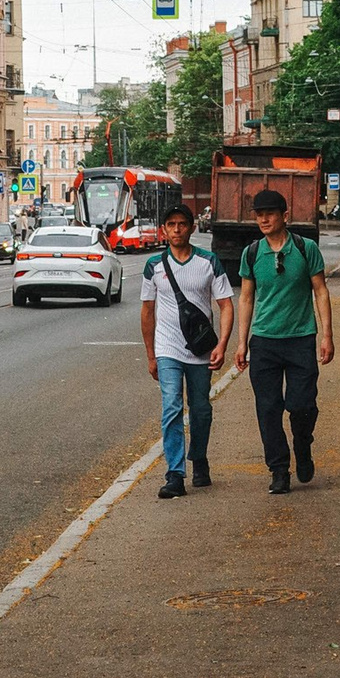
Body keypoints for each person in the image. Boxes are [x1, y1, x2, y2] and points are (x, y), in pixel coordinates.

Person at [234, 188, 333, 494]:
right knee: (268, 408)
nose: (263, 219)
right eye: (259, 214)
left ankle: (303, 445)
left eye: (270, 213)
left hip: (301, 338)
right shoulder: (251, 253)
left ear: (284, 216)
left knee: (301, 405)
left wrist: (326, 336)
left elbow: (320, 291)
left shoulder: (305, 249)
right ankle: (278, 469)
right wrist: (241, 342)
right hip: (264, 342)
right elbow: (246, 298)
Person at [138, 203, 234, 498]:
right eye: (171, 224)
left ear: (192, 228)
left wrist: (222, 344)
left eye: (182, 224)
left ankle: (199, 457)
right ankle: (175, 474)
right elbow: (147, 311)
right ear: (164, 230)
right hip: (167, 348)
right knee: (171, 407)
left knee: (201, 409)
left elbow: (226, 305)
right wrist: (151, 355)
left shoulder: (208, 262)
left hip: (201, 350)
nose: (177, 229)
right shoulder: (153, 265)